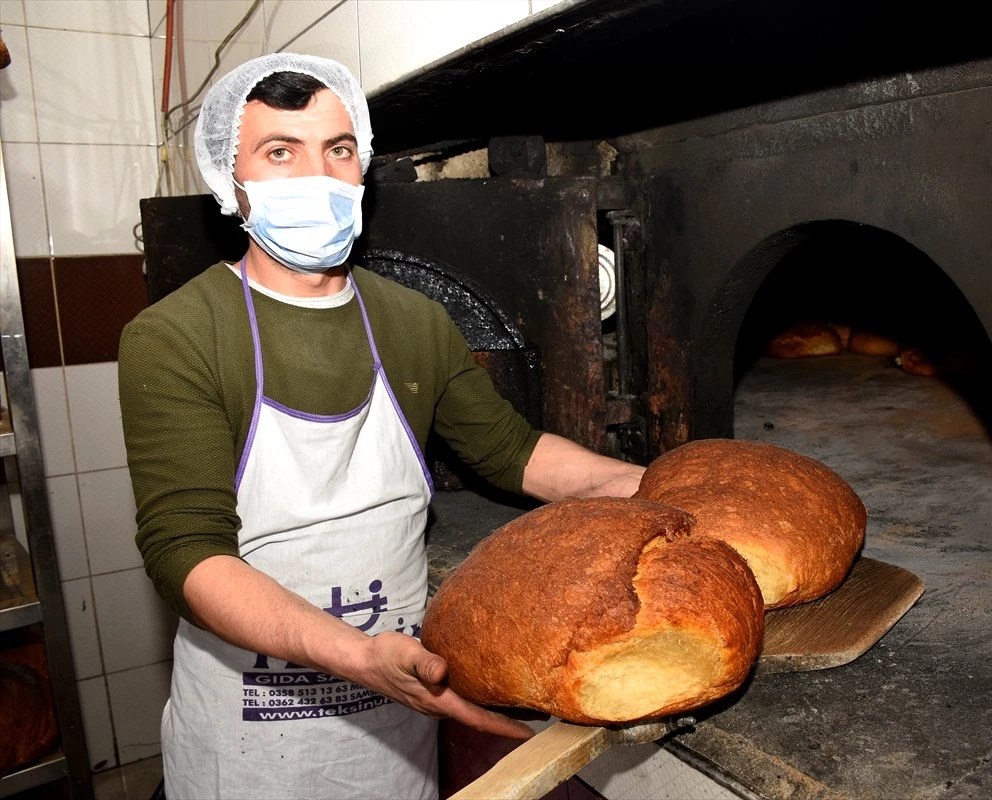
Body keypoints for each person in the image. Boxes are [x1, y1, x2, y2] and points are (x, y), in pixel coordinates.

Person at [118, 52, 645, 800]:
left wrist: (647, 486)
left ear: (361, 166)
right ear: (228, 183)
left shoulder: (409, 321)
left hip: (395, 723)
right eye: (279, 153)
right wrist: (354, 655)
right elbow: (186, 554)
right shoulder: (175, 336)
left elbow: (513, 454)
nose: (317, 178)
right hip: (253, 736)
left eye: (337, 150)